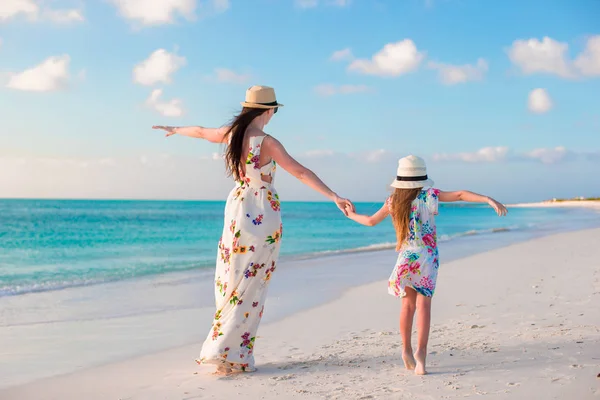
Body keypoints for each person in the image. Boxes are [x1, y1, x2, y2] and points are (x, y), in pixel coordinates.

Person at [152, 85, 354, 375]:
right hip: (261, 209)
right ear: (269, 110)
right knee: (254, 280)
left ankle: (225, 350)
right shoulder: (267, 142)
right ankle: (231, 352)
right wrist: (333, 195)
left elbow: (198, 131)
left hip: (236, 208)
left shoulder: (231, 133)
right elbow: (300, 172)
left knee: (232, 276)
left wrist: (175, 128)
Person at [344, 155, 507, 375]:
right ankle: (421, 353)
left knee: (407, 306)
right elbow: (460, 194)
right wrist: (488, 199)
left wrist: (350, 214)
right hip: (427, 257)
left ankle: (406, 350)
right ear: (421, 177)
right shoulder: (430, 195)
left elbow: (371, 221)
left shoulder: (393, 201)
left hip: (406, 258)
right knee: (424, 306)